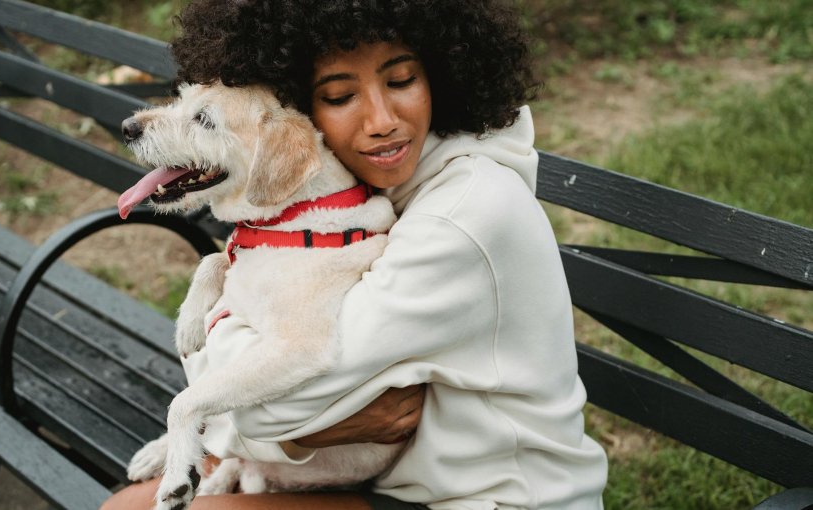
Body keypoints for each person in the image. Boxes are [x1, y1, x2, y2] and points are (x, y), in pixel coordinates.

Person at [101, 0, 608, 509]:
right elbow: (287, 409)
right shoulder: (383, 184)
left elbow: (281, 395)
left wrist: (274, 425)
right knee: (124, 506)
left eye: (403, 80)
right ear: (303, 110)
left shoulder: (463, 214)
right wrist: (303, 433)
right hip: (400, 480)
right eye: (341, 95)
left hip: (494, 498)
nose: (382, 120)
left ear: (441, 76)